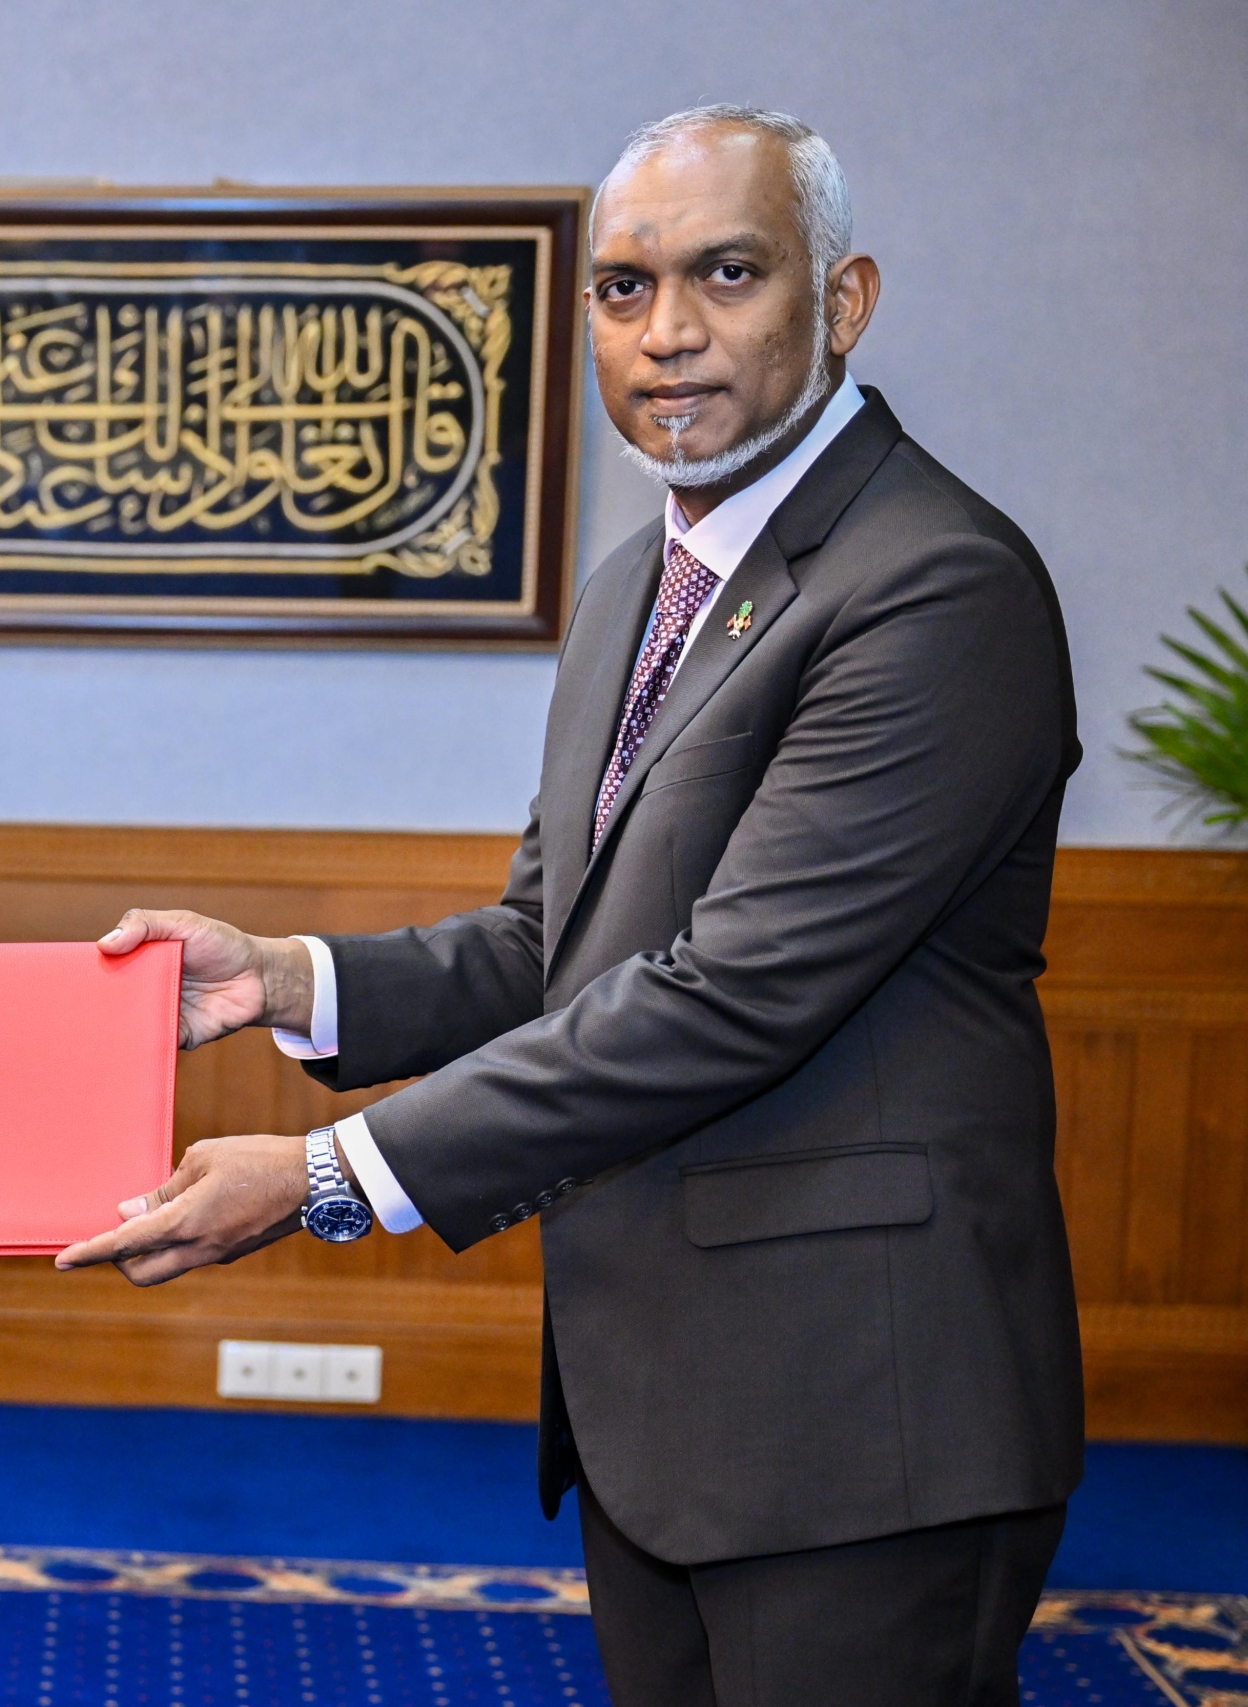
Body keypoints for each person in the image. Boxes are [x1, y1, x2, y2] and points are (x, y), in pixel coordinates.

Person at [62, 107, 1082, 1705]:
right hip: (662, 1407)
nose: (666, 332)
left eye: (728, 274)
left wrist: (327, 1178)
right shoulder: (637, 589)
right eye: (623, 287)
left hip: (861, 1422)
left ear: (844, 300)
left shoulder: (934, 583)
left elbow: (728, 993)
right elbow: (555, 944)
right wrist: (281, 979)